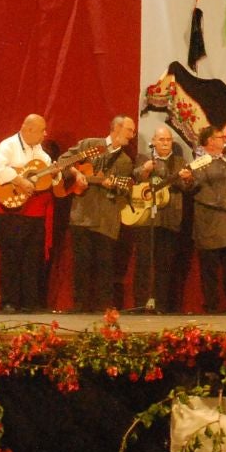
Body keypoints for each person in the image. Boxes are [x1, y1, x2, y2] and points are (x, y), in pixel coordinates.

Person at [0, 113, 66, 312]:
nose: (45, 134)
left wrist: (56, 174)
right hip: (8, 210)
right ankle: (9, 301)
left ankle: (30, 301)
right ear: (28, 129)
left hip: (33, 213)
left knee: (32, 256)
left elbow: (47, 180)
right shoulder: (8, 145)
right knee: (11, 256)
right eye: (42, 130)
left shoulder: (41, 153)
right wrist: (19, 180)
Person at [68, 115, 135, 311]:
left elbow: (125, 189)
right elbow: (64, 161)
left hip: (106, 219)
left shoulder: (125, 161)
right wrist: (76, 174)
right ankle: (80, 306)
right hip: (82, 214)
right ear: (117, 128)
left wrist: (113, 186)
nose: (132, 135)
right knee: (81, 264)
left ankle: (103, 308)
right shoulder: (89, 145)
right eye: (129, 130)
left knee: (105, 266)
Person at [126, 126, 187, 311]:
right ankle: (141, 303)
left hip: (169, 218)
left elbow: (186, 186)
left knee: (165, 265)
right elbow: (134, 178)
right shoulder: (143, 158)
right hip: (146, 218)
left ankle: (162, 305)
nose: (165, 143)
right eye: (161, 140)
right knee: (143, 262)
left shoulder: (180, 162)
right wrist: (145, 170)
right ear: (153, 141)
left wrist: (180, 177)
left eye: (168, 140)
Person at [181, 125, 226, 311]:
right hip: (209, 225)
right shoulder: (199, 163)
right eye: (220, 137)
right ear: (210, 141)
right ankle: (212, 307)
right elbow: (201, 192)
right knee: (210, 270)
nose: (224, 140)